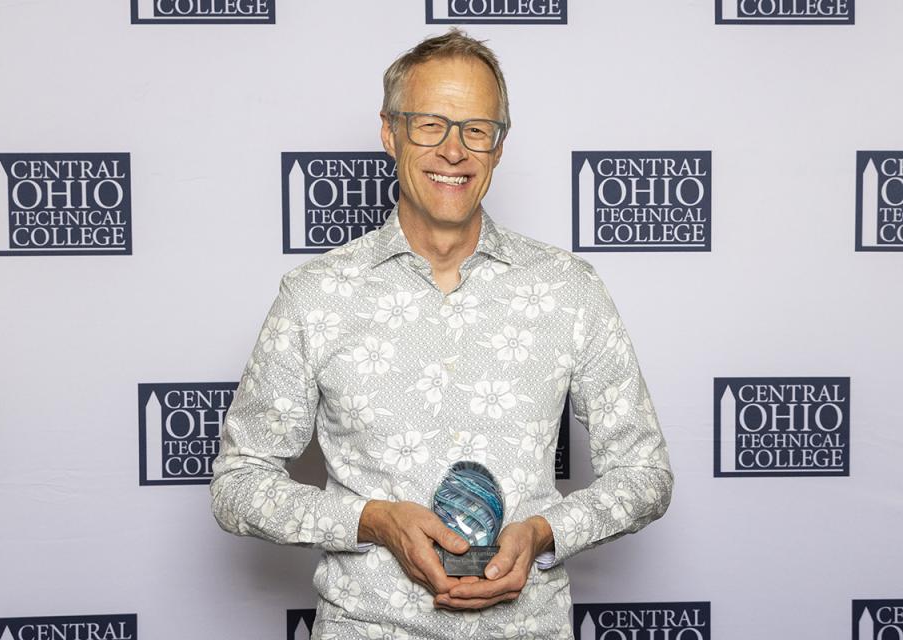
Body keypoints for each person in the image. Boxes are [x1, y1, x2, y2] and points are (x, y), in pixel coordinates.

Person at [210, 29, 673, 639]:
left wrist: (545, 533)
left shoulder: (568, 288)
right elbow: (238, 483)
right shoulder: (317, 294)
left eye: (476, 129)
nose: (454, 150)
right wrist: (371, 521)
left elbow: (646, 474)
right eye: (430, 124)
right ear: (389, 132)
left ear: (499, 146)